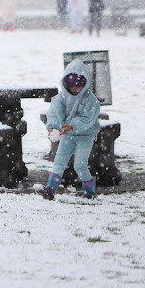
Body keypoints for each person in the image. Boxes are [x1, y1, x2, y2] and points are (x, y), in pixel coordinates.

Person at [41, 59, 101, 200]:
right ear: (67, 84)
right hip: (67, 134)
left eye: (80, 85)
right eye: (73, 86)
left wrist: (73, 125)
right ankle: (50, 189)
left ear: (84, 83)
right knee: (59, 162)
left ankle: (90, 190)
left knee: (79, 165)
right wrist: (53, 127)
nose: (76, 89)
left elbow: (89, 118)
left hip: (86, 135)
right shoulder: (61, 97)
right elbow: (55, 112)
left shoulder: (90, 100)